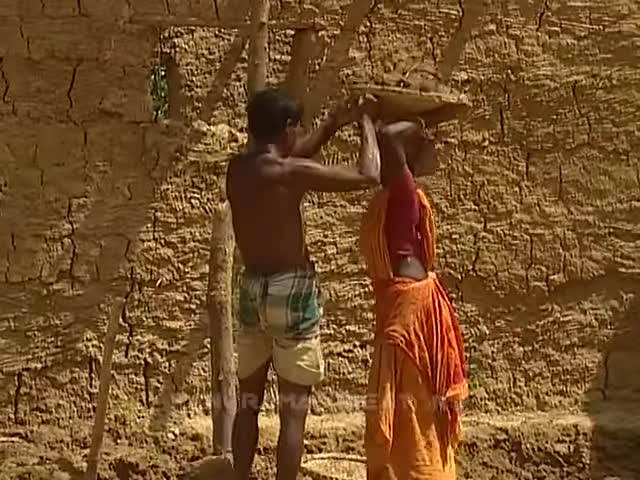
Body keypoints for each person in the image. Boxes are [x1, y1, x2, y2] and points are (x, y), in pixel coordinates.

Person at [226, 86, 380, 480]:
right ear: (287, 128)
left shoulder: (239, 169)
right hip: (290, 292)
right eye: (299, 127)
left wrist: (330, 124)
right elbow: (368, 174)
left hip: (251, 292)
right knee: (293, 415)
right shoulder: (288, 172)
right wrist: (366, 123)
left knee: (248, 404)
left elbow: (293, 157)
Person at [358, 112, 468, 480]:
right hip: (411, 321)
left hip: (403, 315)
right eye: (430, 145)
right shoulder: (403, 194)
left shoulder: (389, 199)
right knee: (417, 407)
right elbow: (389, 134)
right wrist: (408, 128)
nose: (437, 152)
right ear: (410, 153)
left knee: (411, 407)